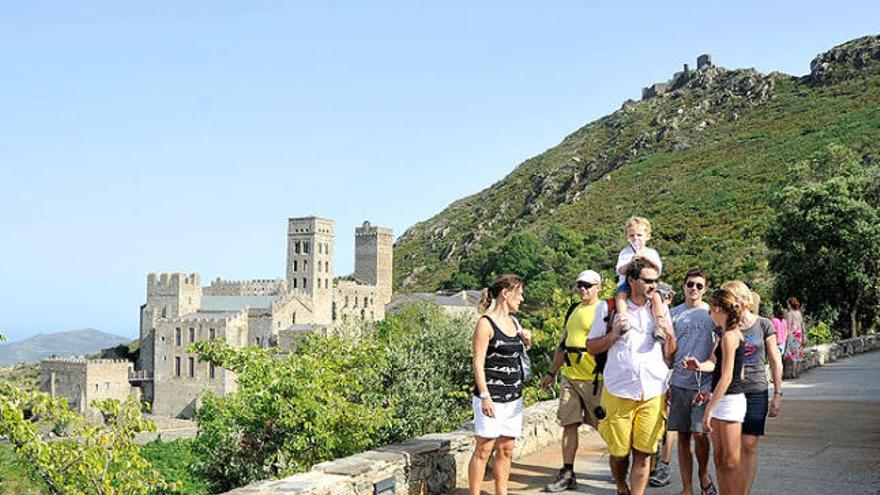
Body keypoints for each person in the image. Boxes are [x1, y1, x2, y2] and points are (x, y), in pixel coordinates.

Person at [587, 257, 676, 495]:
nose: (653, 286)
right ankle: (620, 484)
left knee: (644, 453)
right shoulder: (608, 308)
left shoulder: (660, 309)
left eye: (656, 281)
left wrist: (669, 335)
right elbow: (592, 347)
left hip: (653, 391)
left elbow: (670, 351)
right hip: (619, 390)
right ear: (632, 280)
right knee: (619, 453)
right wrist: (614, 334)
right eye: (647, 281)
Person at [540, 269, 604, 492]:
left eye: (587, 285)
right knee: (569, 425)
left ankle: (624, 464)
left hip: (595, 378)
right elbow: (564, 343)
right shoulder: (573, 309)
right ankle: (567, 472)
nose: (583, 289)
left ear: (599, 287)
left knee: (604, 426)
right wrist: (551, 373)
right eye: (580, 285)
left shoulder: (604, 310)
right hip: (570, 375)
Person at [468, 274, 532, 495]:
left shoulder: (514, 322)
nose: (522, 299)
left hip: (513, 397)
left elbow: (514, 356)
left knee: (506, 449)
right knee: (484, 450)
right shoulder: (485, 324)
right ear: (505, 293)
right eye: (519, 293)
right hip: (491, 398)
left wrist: (527, 342)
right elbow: (477, 363)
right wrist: (485, 396)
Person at [721, 281, 783, 495]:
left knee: (749, 444)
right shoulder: (725, 325)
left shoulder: (764, 324)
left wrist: (778, 394)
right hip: (731, 392)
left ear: (742, 299)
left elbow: (775, 360)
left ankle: (743, 491)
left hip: (756, 390)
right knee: (732, 450)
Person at [683, 288, 747, 495]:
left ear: (718, 308)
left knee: (731, 461)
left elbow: (728, 376)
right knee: (719, 461)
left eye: (711, 309)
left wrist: (709, 409)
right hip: (721, 399)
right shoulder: (724, 334)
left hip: (730, 402)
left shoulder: (730, 336)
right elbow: (717, 367)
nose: (710, 314)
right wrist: (699, 367)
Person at [664, 269, 717, 495]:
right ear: (684, 286)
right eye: (690, 284)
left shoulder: (711, 313)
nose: (693, 289)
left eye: (698, 285)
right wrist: (666, 380)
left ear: (705, 289)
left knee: (699, 434)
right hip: (678, 382)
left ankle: (703, 474)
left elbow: (721, 348)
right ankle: (687, 488)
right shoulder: (673, 313)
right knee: (683, 436)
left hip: (703, 384)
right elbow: (666, 350)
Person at [614, 217, 669, 341]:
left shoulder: (651, 252)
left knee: (656, 297)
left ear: (647, 236)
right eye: (632, 236)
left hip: (648, 285)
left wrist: (646, 259)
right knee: (621, 295)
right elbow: (620, 270)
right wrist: (631, 262)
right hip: (627, 284)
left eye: (639, 235)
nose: (635, 238)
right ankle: (623, 319)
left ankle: (659, 323)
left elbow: (658, 270)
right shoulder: (625, 252)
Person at [648, 281, 677, 488]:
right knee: (654, 422)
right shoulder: (658, 314)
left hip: (668, 372)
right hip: (657, 373)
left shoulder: (668, 315)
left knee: (666, 423)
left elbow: (670, 350)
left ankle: (661, 465)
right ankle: (653, 465)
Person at [784, 297, 804, 373]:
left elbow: (788, 325)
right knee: (798, 353)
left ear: (790, 304)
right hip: (799, 334)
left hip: (793, 334)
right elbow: (801, 324)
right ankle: (797, 371)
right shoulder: (799, 313)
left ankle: (793, 372)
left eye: (788, 304)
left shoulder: (790, 313)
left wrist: (786, 336)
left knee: (792, 354)